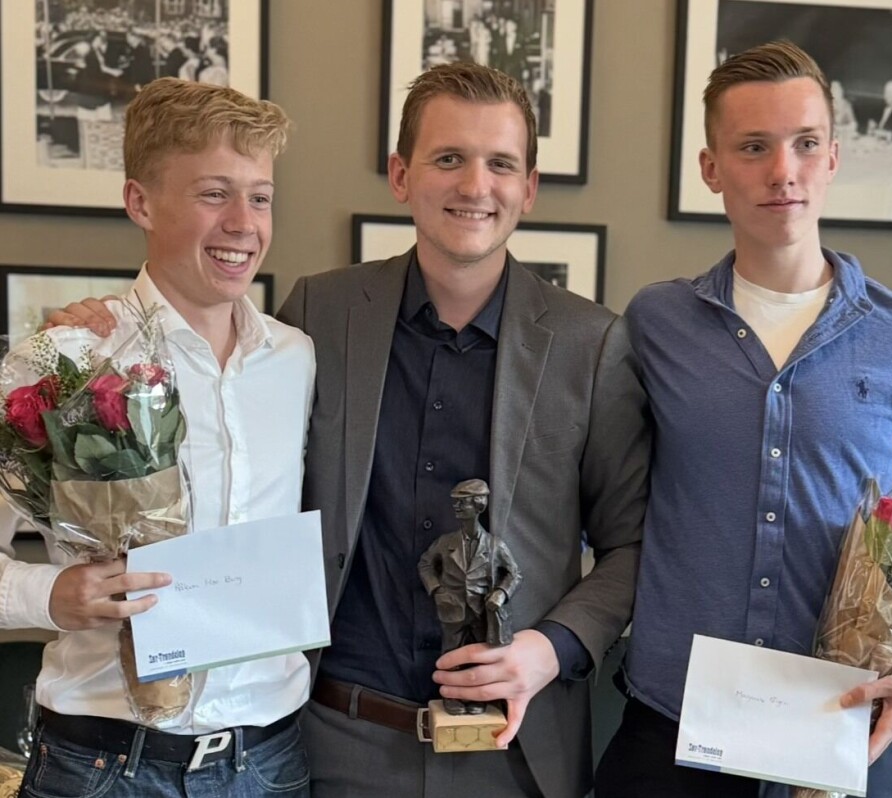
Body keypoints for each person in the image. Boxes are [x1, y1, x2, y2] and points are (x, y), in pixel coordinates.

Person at [45, 62, 650, 798]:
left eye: (500, 163)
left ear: (529, 186)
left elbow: (631, 544)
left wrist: (551, 649)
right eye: (448, 158)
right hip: (333, 744)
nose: (475, 185)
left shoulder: (593, 343)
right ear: (400, 175)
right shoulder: (319, 317)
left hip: (514, 748)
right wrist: (93, 338)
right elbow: (211, 395)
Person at [594, 40, 892, 798]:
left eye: (804, 144)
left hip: (848, 727)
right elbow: (604, 495)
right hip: (673, 732)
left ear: (834, 157)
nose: (782, 171)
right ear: (711, 168)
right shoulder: (656, 323)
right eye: (753, 147)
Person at [1, 77, 315, 797]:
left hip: (270, 762)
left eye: (259, 197)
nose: (243, 224)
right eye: (214, 194)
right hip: (104, 765)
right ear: (141, 202)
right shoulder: (64, 361)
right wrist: (50, 594)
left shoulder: (298, 359)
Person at [418, 479, 522, 715]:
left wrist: (501, 593)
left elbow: (515, 573)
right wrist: (437, 590)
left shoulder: (495, 546)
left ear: (478, 506)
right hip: (452, 609)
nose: (456, 507)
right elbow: (425, 564)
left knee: (481, 656)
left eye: (462, 502)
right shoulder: (445, 543)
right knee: (451, 654)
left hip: (482, 611)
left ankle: (477, 698)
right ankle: (452, 697)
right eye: (455, 502)